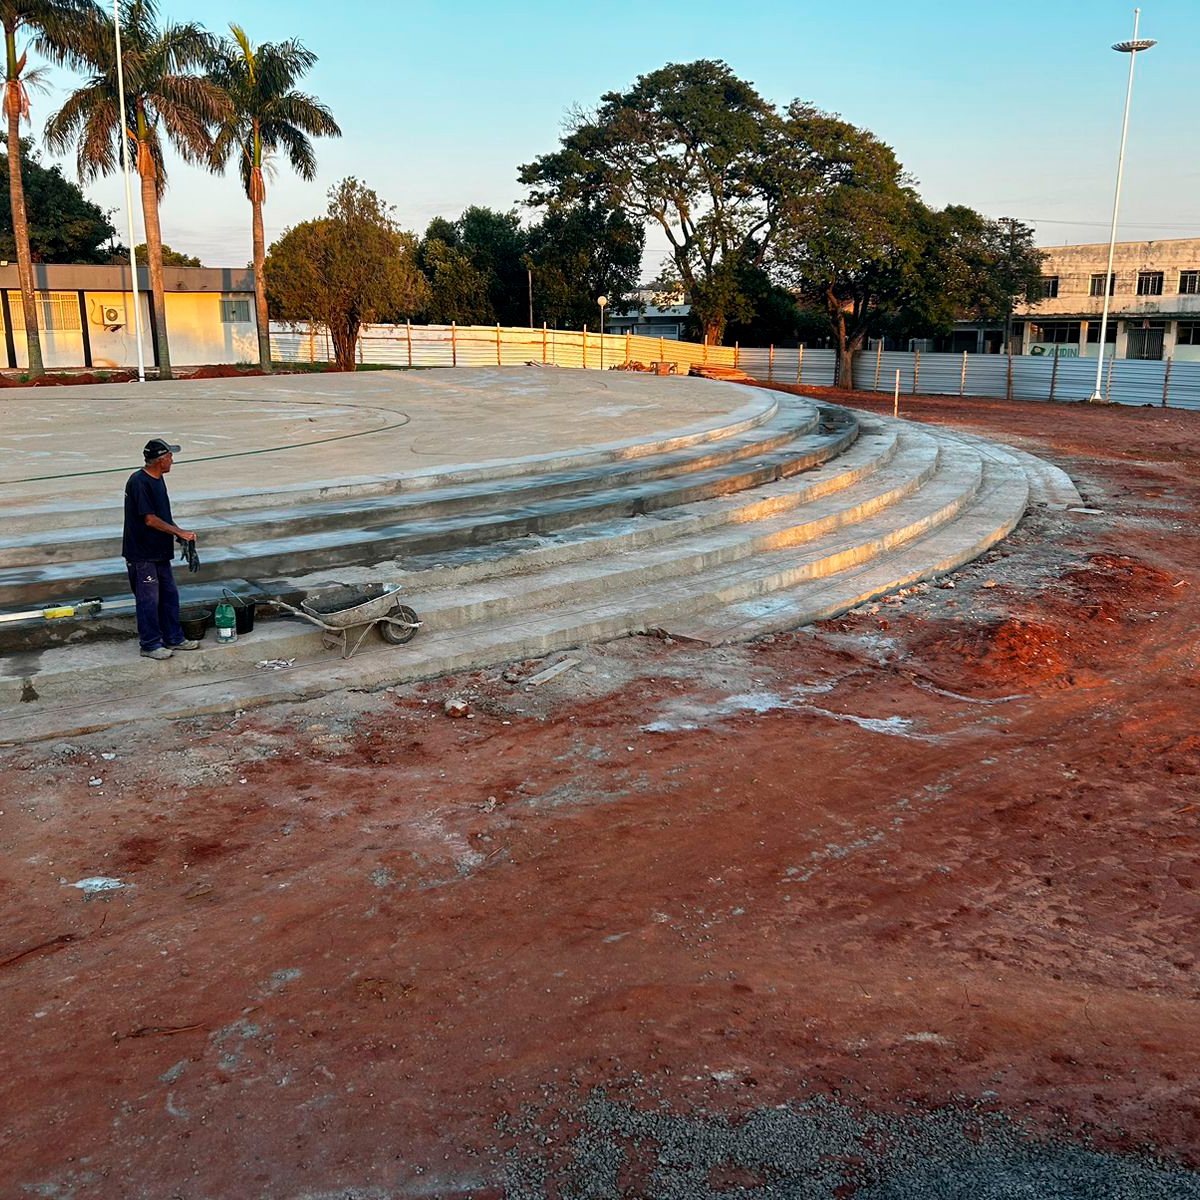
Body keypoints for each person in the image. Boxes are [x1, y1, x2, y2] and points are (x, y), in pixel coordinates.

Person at [122, 438, 200, 660]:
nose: (172, 461)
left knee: (168, 595)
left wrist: (178, 532)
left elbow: (162, 516)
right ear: (161, 459)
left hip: (158, 551)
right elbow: (150, 519)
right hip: (142, 553)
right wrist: (179, 532)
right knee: (148, 599)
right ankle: (150, 644)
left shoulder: (158, 479)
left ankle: (173, 637)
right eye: (170, 457)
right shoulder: (139, 482)